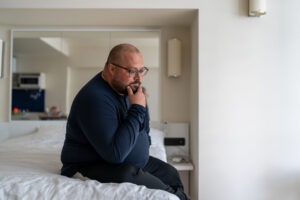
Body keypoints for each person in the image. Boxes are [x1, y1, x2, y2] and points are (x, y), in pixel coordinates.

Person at [60, 43, 190, 200]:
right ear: (111, 68)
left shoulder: (130, 89)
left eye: (141, 71)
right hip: (90, 164)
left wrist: (141, 112)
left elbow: (144, 130)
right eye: (132, 71)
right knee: (161, 191)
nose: (139, 78)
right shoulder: (95, 98)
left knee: (170, 173)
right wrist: (138, 108)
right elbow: (115, 155)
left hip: (130, 161)